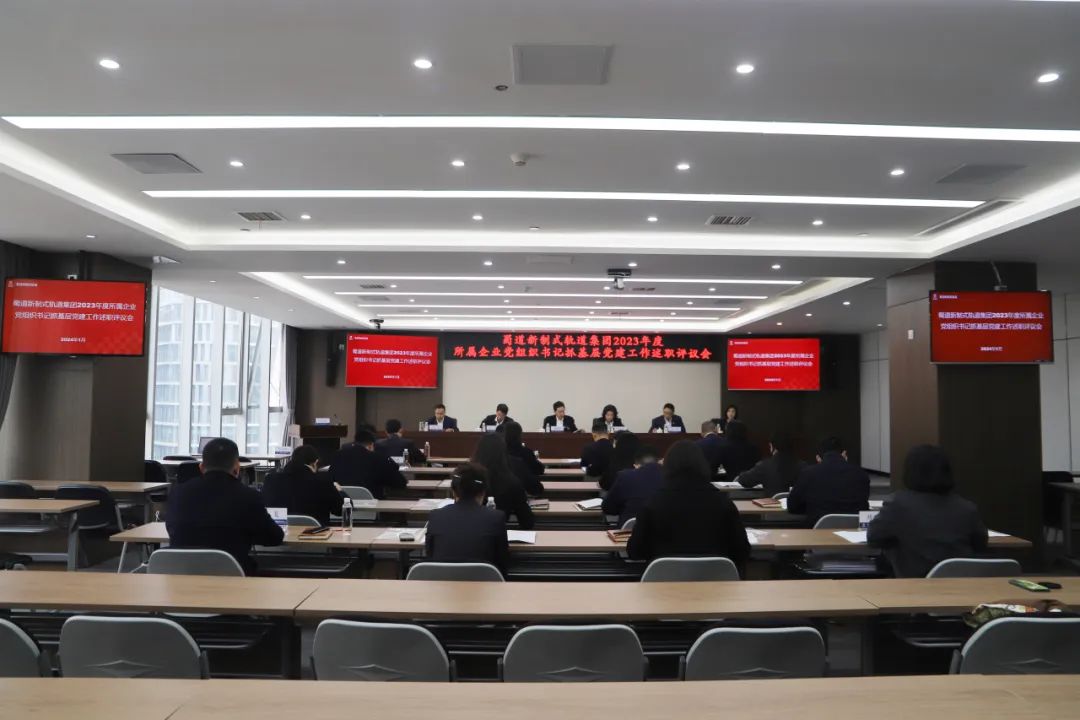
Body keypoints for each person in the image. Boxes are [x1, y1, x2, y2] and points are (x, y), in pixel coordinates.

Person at [627, 441, 751, 573]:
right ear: (702, 465)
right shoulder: (723, 502)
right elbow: (742, 551)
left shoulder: (653, 503)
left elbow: (635, 551)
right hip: (715, 580)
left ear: (667, 467)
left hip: (664, 580)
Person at [165, 438, 283, 575]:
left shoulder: (178, 493)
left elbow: (172, 529)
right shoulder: (249, 496)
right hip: (232, 578)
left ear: (201, 467)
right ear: (237, 468)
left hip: (181, 576)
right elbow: (274, 537)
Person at [868, 445, 988, 578]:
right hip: (962, 585)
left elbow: (873, 538)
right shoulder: (967, 508)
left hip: (912, 586)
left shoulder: (898, 504)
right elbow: (980, 544)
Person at [425, 463, 512, 576]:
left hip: (442, 582)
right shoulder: (496, 517)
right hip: (485, 583)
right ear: (483, 492)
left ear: (453, 491)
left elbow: (430, 555)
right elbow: (502, 563)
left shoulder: (435, 516)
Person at [787, 436, 870, 525]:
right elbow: (863, 505)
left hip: (817, 530)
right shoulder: (861, 474)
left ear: (819, 458)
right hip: (853, 530)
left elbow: (792, 506)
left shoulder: (808, 473)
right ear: (844, 454)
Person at [261, 445, 344, 526]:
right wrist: (340, 491)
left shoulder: (270, 480)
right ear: (315, 463)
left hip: (280, 532)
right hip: (316, 533)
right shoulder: (323, 482)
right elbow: (340, 511)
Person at [470, 434, 535, 529]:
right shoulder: (512, 482)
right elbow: (527, 521)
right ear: (503, 454)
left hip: (467, 532)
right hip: (498, 531)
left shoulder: (467, 478)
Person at [328, 429, 407, 499]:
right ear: (371, 445)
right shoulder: (378, 458)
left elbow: (330, 479)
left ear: (355, 442)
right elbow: (401, 483)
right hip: (373, 506)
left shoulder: (338, 456)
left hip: (342, 505)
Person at [602, 445, 663, 528]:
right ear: (659, 461)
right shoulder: (671, 478)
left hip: (628, 532)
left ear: (636, 465)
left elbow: (608, 508)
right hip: (665, 532)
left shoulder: (625, 476)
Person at [736, 430, 805, 496]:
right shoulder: (803, 467)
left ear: (772, 447)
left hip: (772, 503)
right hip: (796, 504)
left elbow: (745, 481)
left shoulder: (765, 466)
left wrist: (741, 474)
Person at [502, 421, 546, 495]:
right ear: (519, 435)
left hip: (501, 492)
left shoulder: (500, 452)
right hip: (525, 490)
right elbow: (539, 469)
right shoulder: (526, 452)